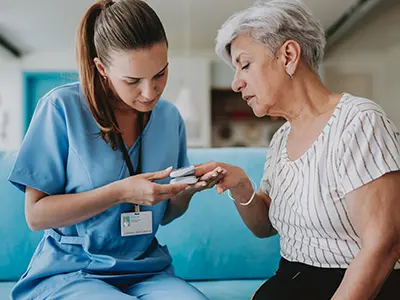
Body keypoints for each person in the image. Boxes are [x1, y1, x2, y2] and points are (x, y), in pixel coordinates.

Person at [8, 0, 224, 299]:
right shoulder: (61, 108)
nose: (150, 93)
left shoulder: (169, 117)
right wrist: (120, 192)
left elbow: (166, 215)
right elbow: (35, 215)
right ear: (102, 68)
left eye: (160, 74)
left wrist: (188, 189)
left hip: (146, 270)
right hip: (71, 270)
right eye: (133, 80)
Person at [196, 0, 400, 299]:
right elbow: (265, 227)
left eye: (245, 64)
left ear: (288, 56)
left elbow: (383, 245)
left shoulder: (358, 122)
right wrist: (241, 187)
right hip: (291, 277)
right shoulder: (281, 138)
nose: (236, 83)